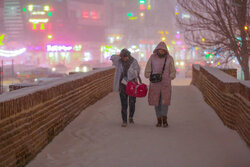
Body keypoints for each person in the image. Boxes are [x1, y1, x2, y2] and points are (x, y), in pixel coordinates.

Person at [144, 42, 176, 127]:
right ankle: (158, 119)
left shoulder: (169, 58)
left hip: (166, 83)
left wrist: (171, 76)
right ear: (157, 50)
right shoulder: (152, 57)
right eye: (160, 50)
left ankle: (164, 119)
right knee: (156, 102)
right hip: (155, 83)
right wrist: (147, 73)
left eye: (163, 50)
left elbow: (172, 69)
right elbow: (148, 67)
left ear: (165, 50)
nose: (161, 51)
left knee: (164, 102)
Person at [110, 48, 141, 127]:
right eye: (123, 57)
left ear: (128, 55)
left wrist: (131, 72)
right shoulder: (119, 62)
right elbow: (112, 57)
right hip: (122, 85)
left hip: (132, 84)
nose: (124, 58)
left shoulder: (134, 61)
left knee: (132, 102)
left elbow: (137, 71)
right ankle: (124, 120)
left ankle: (131, 117)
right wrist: (119, 56)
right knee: (124, 103)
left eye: (125, 56)